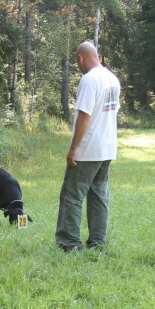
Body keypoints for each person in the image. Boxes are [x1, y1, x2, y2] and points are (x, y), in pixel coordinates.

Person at [55, 41, 121, 252]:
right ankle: (97, 242)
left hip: (89, 148)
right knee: (99, 195)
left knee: (72, 195)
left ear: (80, 58)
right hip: (107, 147)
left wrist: (74, 148)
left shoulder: (89, 80)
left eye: (77, 62)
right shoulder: (112, 78)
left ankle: (70, 243)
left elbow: (85, 114)